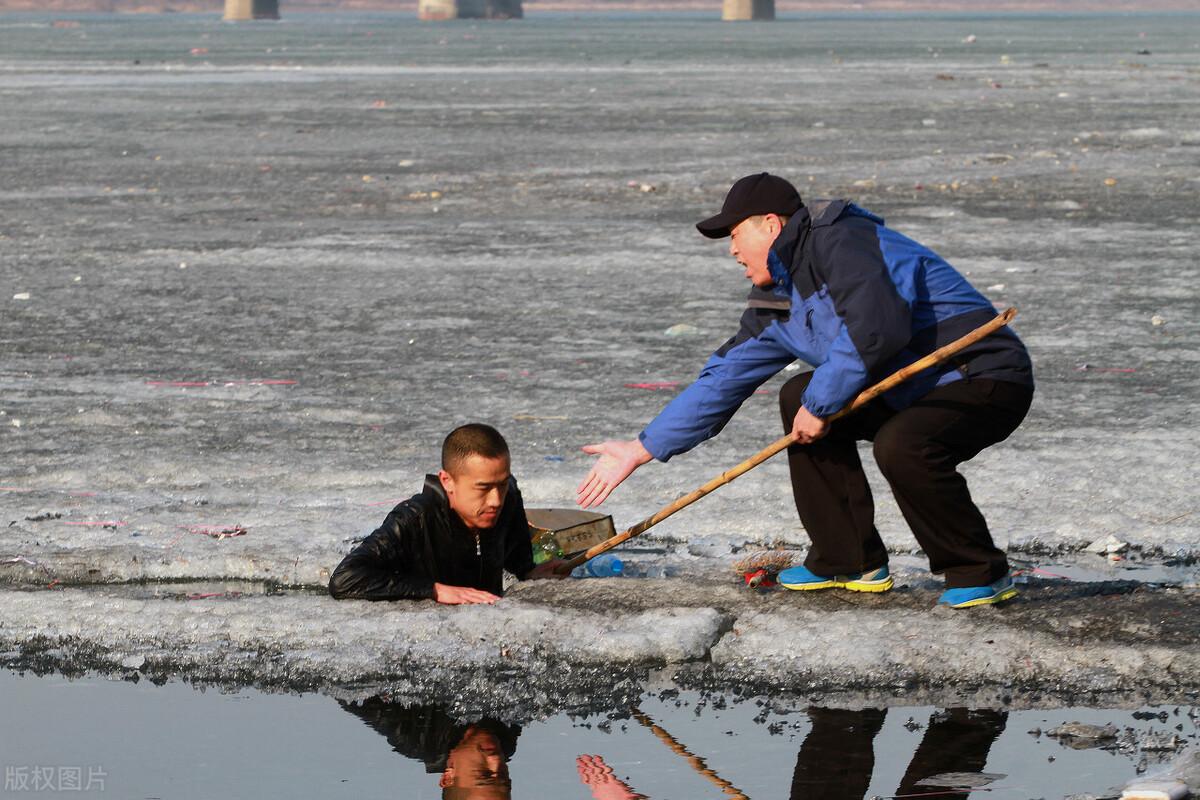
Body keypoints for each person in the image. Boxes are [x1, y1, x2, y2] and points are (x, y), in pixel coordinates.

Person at [577, 173, 1033, 608]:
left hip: (979, 374)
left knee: (902, 445)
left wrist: (822, 403)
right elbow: (723, 379)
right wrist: (641, 448)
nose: (732, 251)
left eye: (735, 235)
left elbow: (876, 328)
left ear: (771, 225)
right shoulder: (777, 299)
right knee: (798, 393)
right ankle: (848, 559)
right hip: (906, 391)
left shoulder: (842, 241)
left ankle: (979, 571)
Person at [329, 423, 565, 604]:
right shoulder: (414, 518)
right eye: (483, 488)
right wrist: (435, 590)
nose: (495, 501)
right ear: (447, 481)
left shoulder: (509, 497)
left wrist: (533, 574)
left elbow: (518, 562)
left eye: (501, 484)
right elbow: (344, 579)